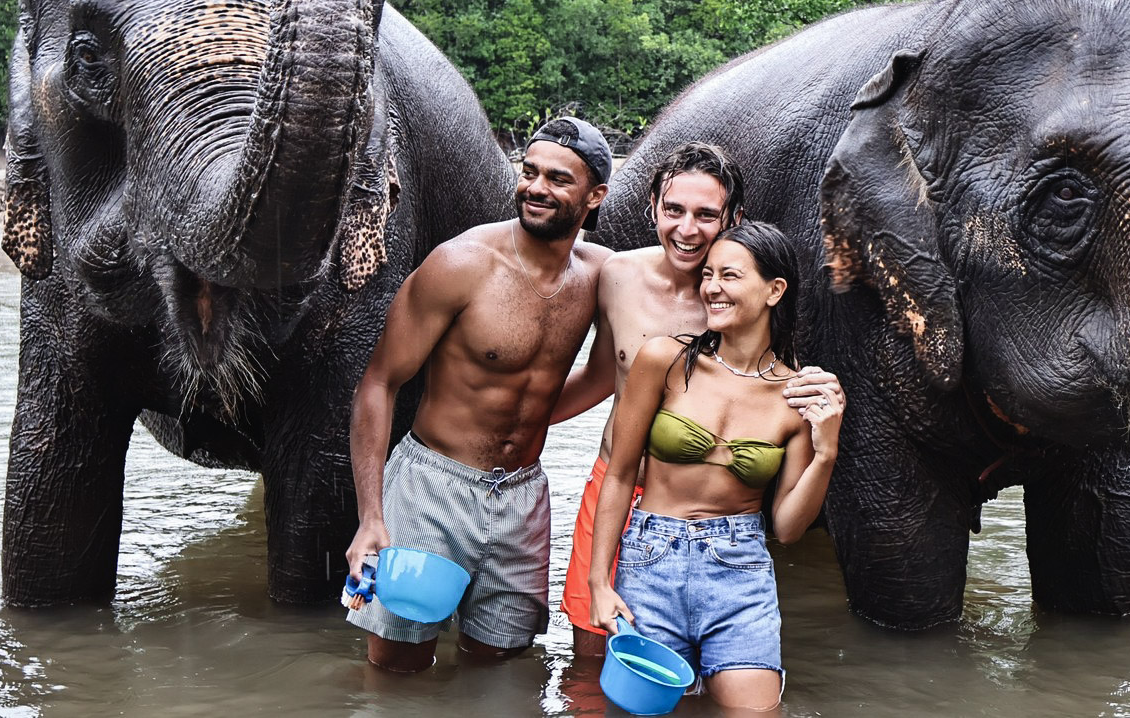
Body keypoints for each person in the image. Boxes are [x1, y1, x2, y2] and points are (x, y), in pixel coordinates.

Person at [343, 116, 613, 673]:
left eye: (558, 179)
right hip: (431, 487)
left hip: (522, 497)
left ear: (594, 196)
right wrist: (371, 516)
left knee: (500, 666)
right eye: (530, 171)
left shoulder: (602, 276)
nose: (536, 187)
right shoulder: (462, 263)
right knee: (398, 666)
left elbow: (606, 372)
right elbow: (380, 382)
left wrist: (530, 420)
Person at [550, 144, 840, 657]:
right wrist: (524, 427)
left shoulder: (745, 301)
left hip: (712, 522)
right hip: (613, 486)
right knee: (594, 665)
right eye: (673, 211)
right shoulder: (618, 275)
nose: (686, 230)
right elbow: (602, 375)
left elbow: (777, 386)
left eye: (706, 215)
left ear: (734, 218)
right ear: (653, 209)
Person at [588, 221, 845, 712]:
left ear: (774, 290)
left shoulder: (796, 397)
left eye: (729, 275)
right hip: (650, 562)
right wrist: (600, 582)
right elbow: (620, 475)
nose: (711, 288)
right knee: (640, 708)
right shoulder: (663, 360)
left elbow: (788, 529)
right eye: (707, 275)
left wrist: (826, 450)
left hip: (739, 571)